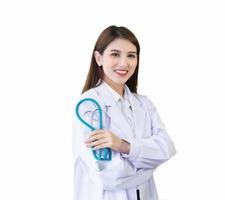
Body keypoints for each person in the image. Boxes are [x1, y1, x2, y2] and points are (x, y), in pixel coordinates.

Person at [72, 25, 176, 200]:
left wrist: (123, 146)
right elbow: (107, 176)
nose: (124, 63)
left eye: (131, 56)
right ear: (98, 58)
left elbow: (167, 148)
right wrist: (148, 162)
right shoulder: (87, 106)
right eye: (115, 54)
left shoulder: (144, 104)